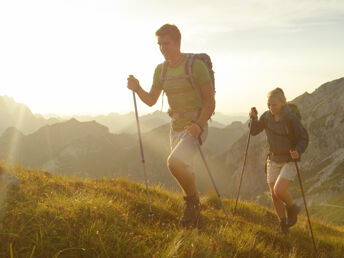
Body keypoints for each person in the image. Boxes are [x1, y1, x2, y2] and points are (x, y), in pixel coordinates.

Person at [127, 24, 215, 228]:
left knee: (174, 163)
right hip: (175, 127)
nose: (163, 48)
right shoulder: (161, 70)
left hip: (195, 125)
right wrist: (138, 88)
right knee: (182, 167)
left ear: (178, 42)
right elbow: (150, 100)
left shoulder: (195, 66)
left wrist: (199, 125)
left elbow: (210, 101)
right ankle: (195, 215)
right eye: (159, 44)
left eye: (166, 43)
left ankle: (192, 205)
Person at [249, 88, 307, 234]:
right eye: (268, 105)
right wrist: (253, 119)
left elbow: (303, 138)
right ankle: (283, 226)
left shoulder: (291, 118)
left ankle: (292, 208)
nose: (270, 108)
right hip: (273, 159)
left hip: (289, 159)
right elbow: (254, 131)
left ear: (282, 103)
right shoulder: (267, 117)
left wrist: (298, 151)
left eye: (274, 104)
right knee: (274, 196)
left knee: (279, 190)